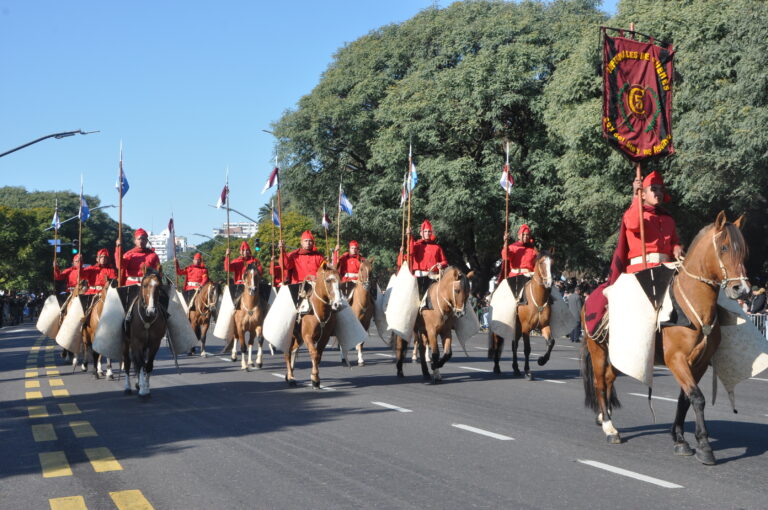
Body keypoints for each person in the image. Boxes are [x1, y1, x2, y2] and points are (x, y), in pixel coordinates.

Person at [584, 170, 683, 336]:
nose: (658, 193)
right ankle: (608, 329)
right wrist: (635, 196)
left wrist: (676, 247)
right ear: (643, 194)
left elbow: (674, 241)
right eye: (654, 189)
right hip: (640, 269)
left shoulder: (668, 219)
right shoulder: (634, 213)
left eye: (660, 190)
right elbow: (634, 224)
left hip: (667, 268)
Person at [398, 219, 448, 304]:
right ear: (421, 233)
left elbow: (444, 261)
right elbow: (410, 251)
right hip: (419, 276)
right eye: (425, 231)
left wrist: (441, 264)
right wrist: (409, 236)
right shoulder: (417, 245)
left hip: (433, 277)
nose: (427, 233)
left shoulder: (437, 247)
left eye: (429, 231)